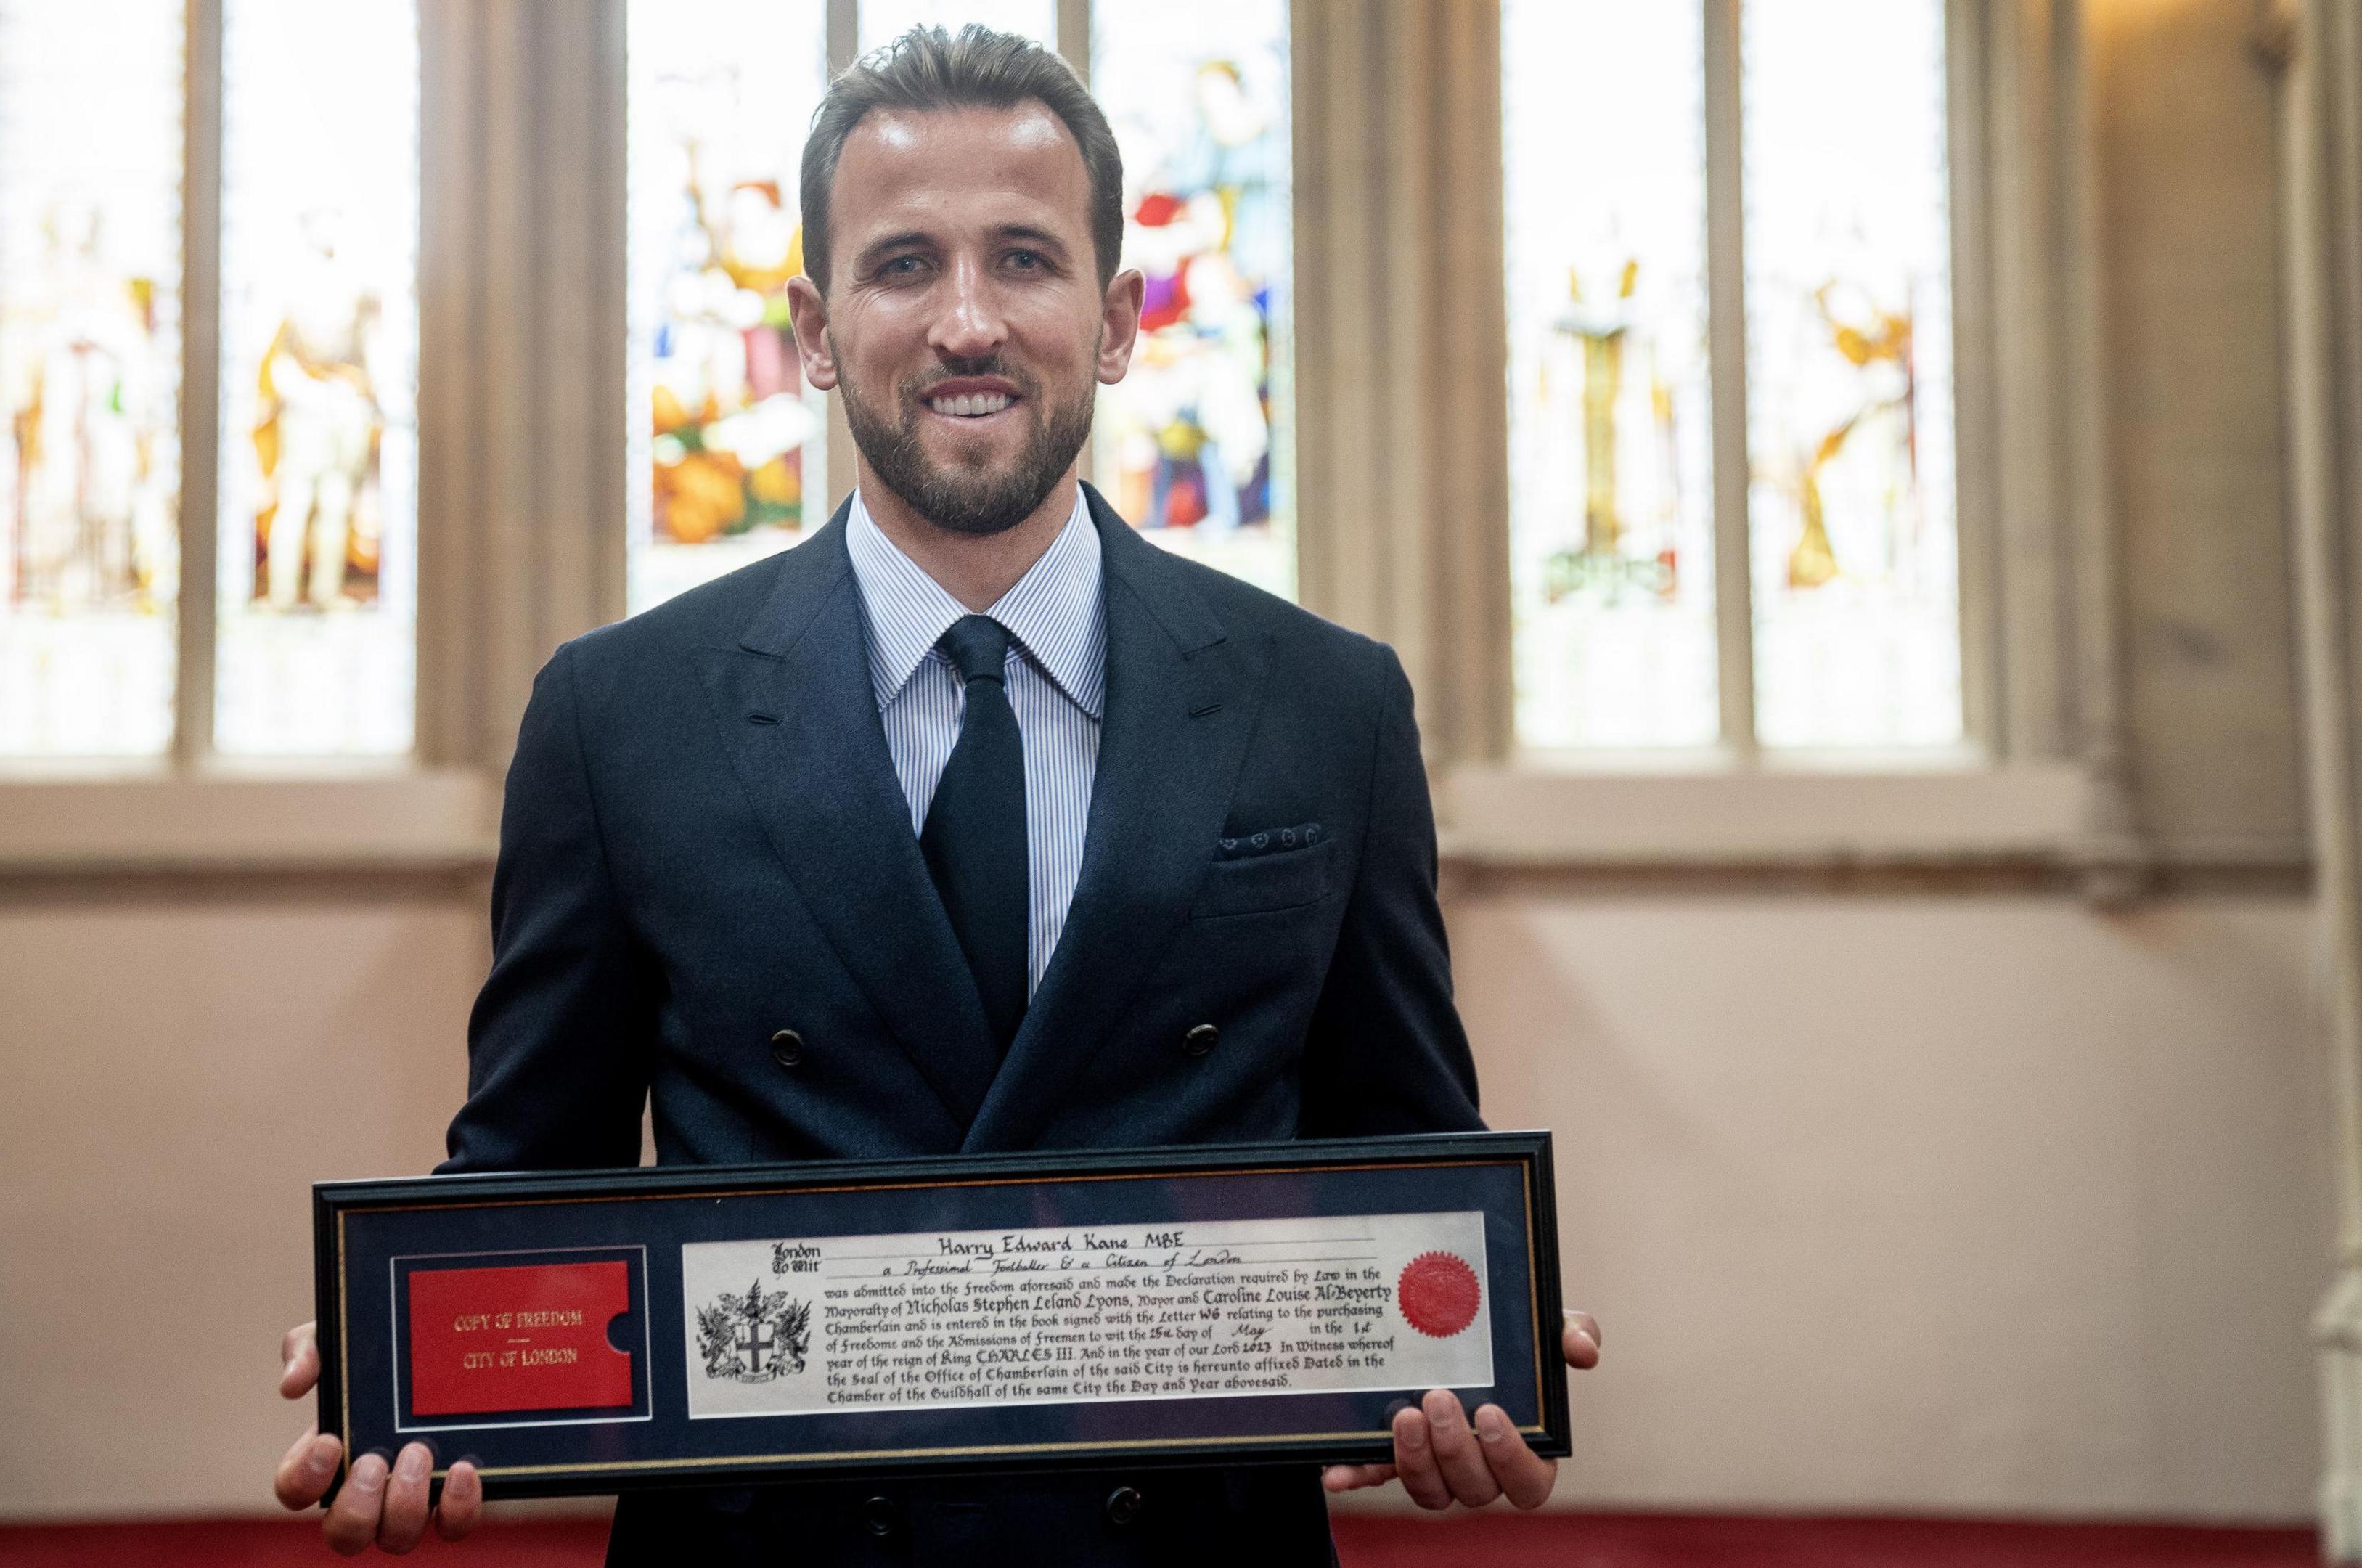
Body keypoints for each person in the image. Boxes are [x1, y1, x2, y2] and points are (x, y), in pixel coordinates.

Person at [271, 25, 1600, 1562]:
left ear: (1112, 319)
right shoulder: (617, 713)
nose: (968, 322)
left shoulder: (1329, 705)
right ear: (817, 328)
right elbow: (532, 1162)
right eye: (904, 265)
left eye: (1023, 259)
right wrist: (412, 1368)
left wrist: (1474, 1352)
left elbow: (1406, 1146)